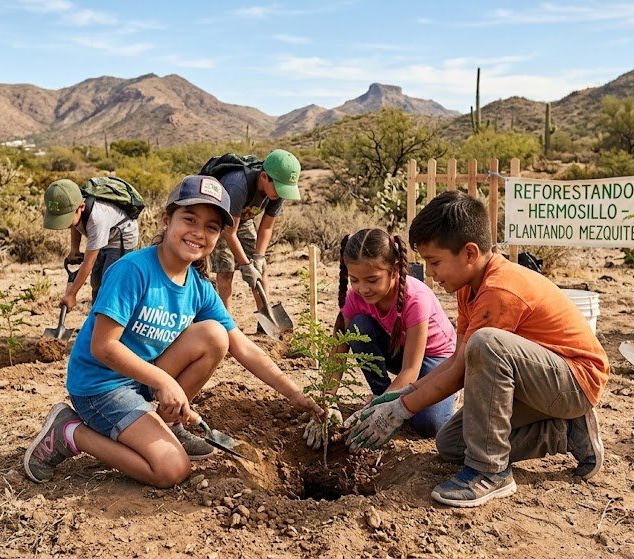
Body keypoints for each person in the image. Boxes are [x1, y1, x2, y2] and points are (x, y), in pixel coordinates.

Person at [24, 175, 323, 487]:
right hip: (100, 386)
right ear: (167, 219)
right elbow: (103, 347)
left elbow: (244, 348)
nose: (198, 232)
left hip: (140, 380)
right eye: (189, 219)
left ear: (220, 235)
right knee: (172, 470)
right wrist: (164, 381)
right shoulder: (132, 270)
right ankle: (71, 433)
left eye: (211, 227)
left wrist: (296, 395)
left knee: (215, 335)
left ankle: (169, 425)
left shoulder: (198, 288)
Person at [346, 190, 609, 508]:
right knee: (452, 444)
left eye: (435, 262)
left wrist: (402, 409)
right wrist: (402, 396)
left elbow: (462, 369)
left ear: (469, 253)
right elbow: (457, 359)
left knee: (487, 344)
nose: (429, 273)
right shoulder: (469, 287)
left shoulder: (499, 290)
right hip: (540, 384)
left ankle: (491, 471)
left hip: (574, 381)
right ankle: (566, 431)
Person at [303, 228, 458, 449]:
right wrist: (327, 401)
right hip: (399, 349)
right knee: (359, 327)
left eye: (372, 280)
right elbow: (338, 351)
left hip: (435, 359)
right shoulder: (356, 297)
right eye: (355, 280)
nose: (363, 289)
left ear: (394, 270)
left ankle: (420, 397)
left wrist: (379, 410)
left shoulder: (416, 299)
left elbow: (410, 371)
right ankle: (382, 393)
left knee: (428, 425)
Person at [208, 149, 300, 312]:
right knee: (226, 270)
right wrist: (245, 265)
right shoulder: (237, 185)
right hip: (221, 221)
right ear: (264, 177)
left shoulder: (276, 193)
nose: (280, 194)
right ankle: (226, 322)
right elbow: (229, 232)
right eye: (279, 188)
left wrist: (258, 258)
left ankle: (265, 316)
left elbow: (267, 226)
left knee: (260, 269)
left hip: (243, 220)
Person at [42, 178, 140, 311]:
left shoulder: (97, 219)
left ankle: (112, 318)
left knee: (110, 282)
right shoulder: (74, 205)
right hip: (104, 236)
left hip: (122, 237)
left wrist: (71, 295)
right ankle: (95, 314)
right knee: (96, 281)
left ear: (80, 207)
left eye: (65, 219)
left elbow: (88, 263)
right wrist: (74, 250)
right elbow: (75, 224)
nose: (64, 224)